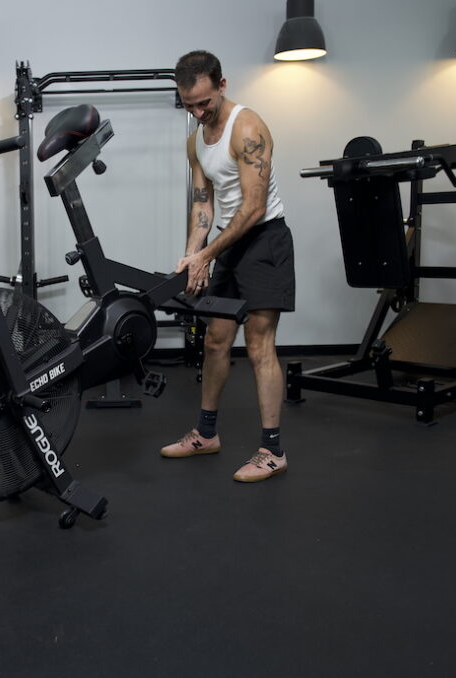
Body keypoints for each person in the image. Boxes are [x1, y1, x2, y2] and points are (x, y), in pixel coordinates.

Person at [160, 50, 295, 483]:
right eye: (189, 105)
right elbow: (203, 204)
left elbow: (254, 208)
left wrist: (207, 255)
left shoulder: (248, 127)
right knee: (216, 341)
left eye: (204, 103)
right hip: (226, 244)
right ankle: (206, 434)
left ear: (222, 85)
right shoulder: (195, 141)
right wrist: (191, 255)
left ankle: (272, 451)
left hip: (264, 239)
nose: (198, 113)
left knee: (259, 345)